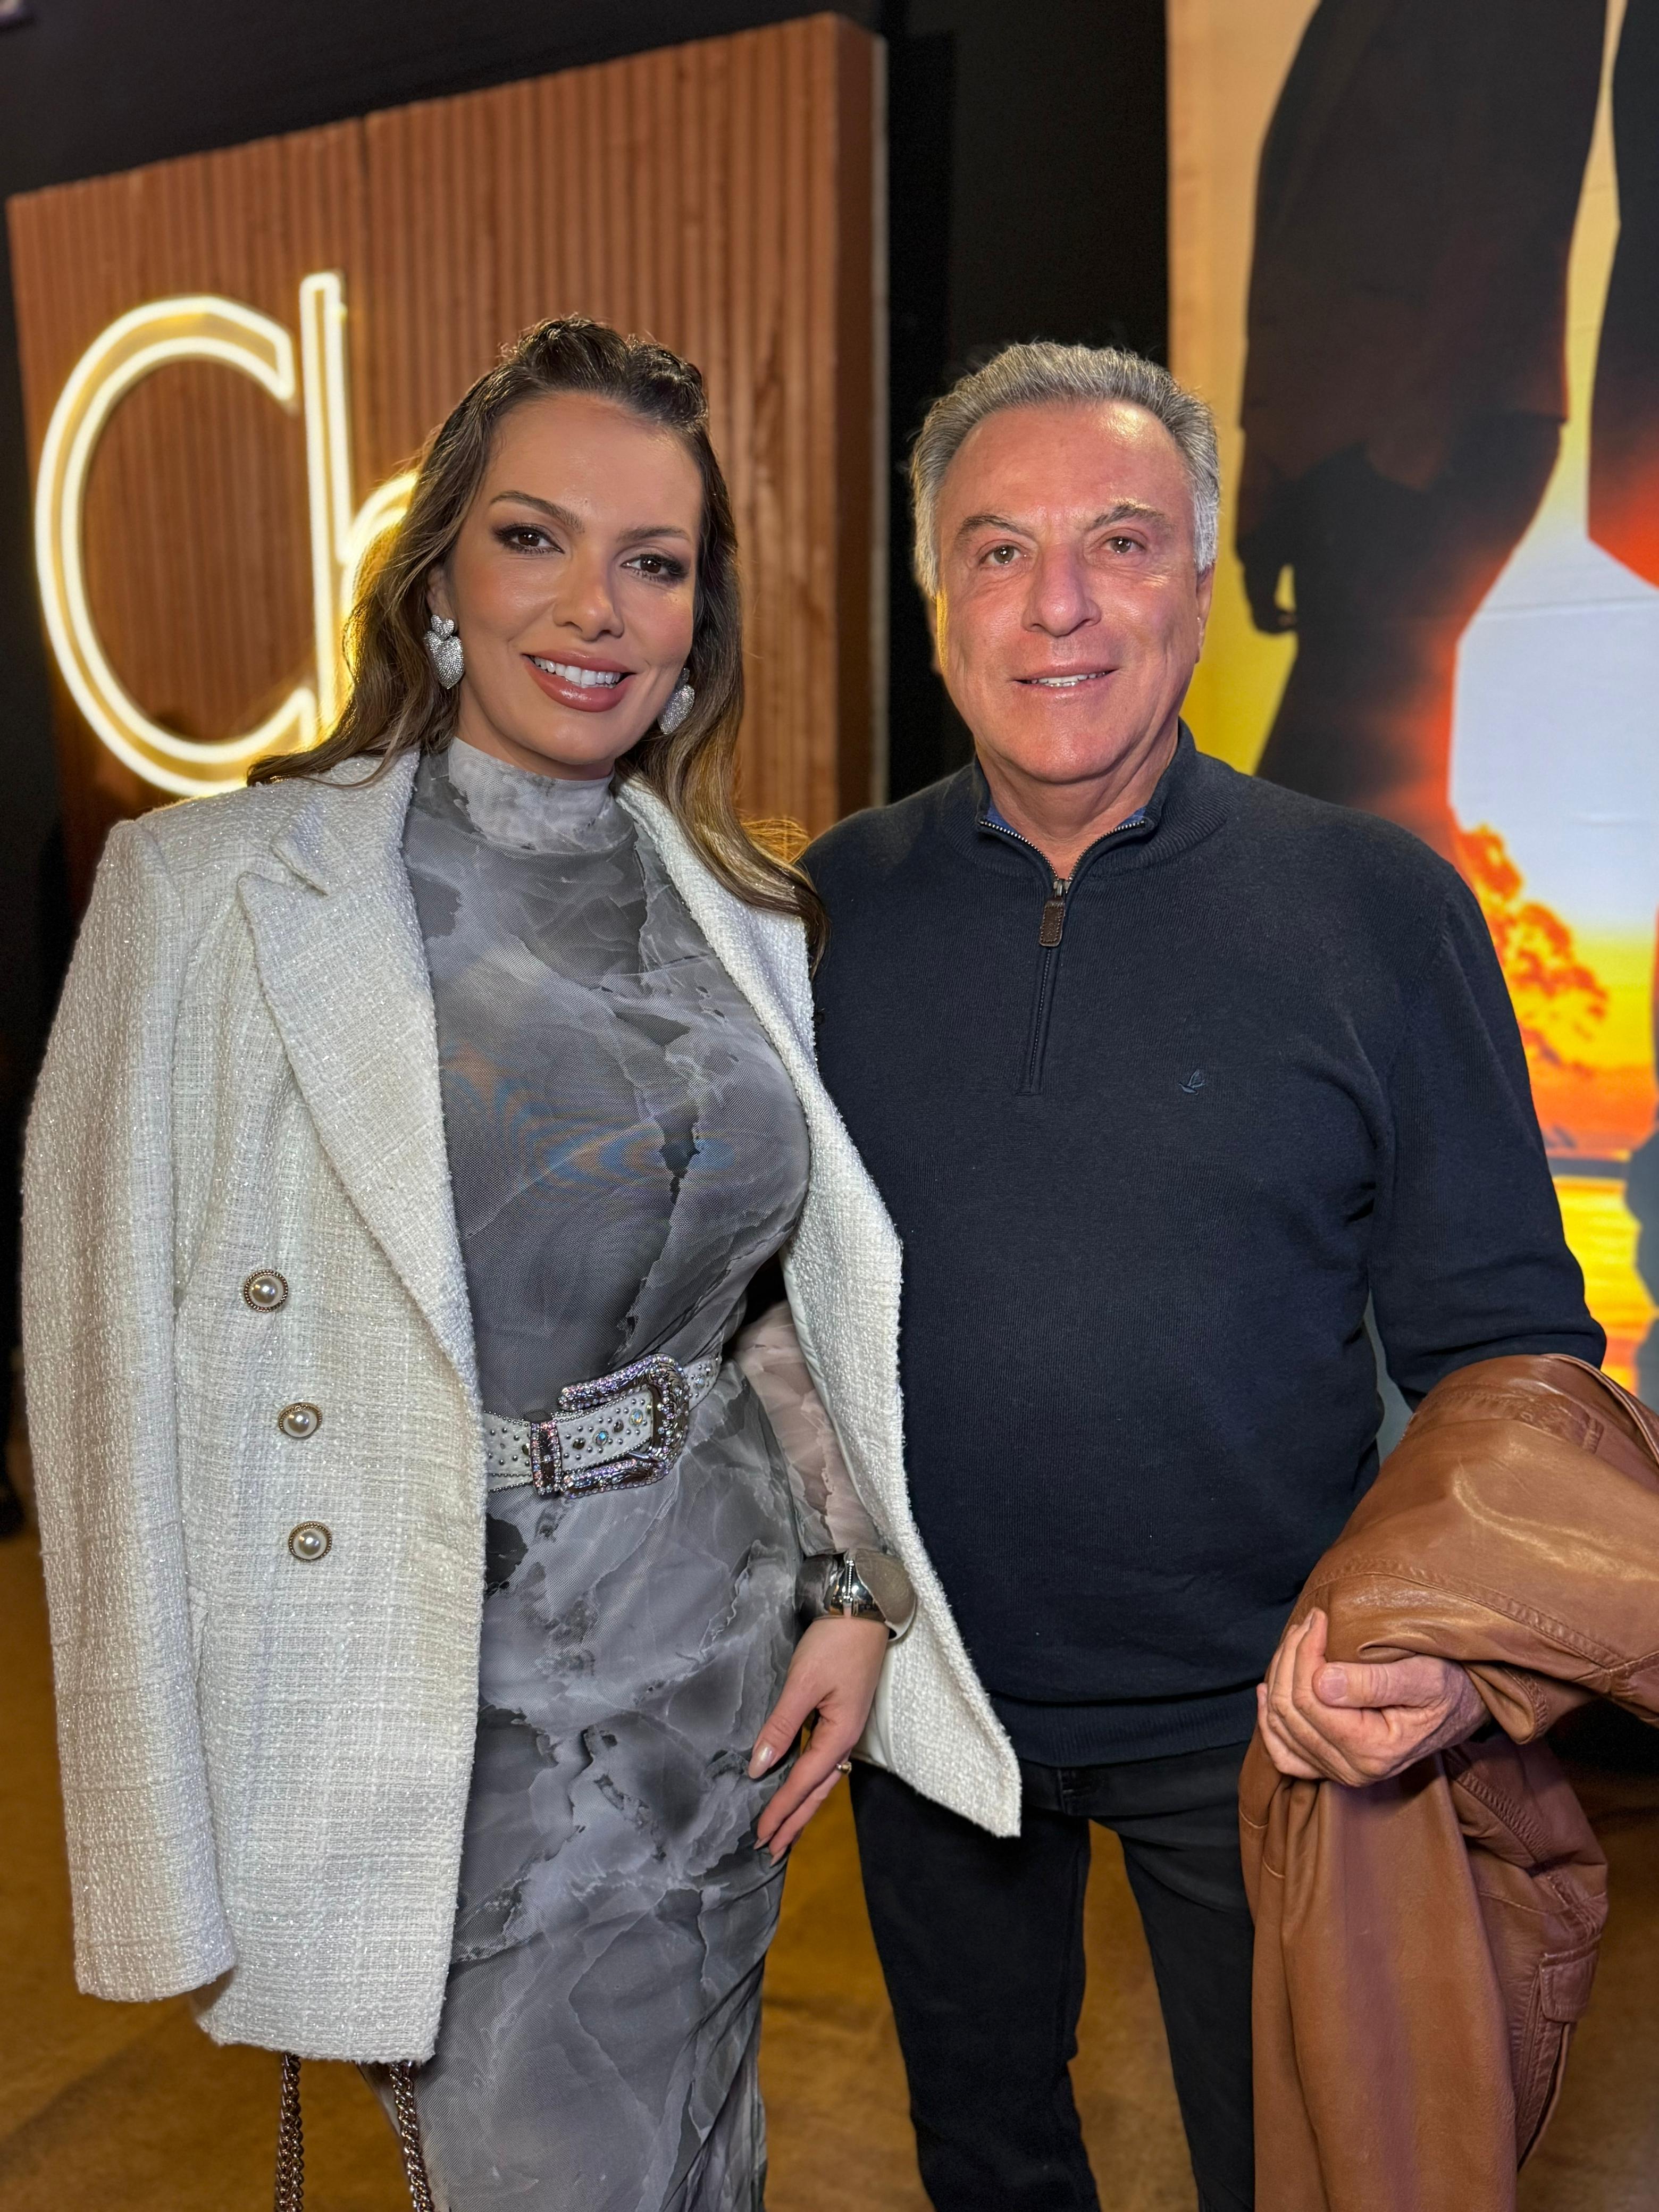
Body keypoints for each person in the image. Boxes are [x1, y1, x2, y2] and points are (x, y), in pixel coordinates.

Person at [22, 316, 917, 2212]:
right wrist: (166, 1832)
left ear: (699, 620)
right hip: (436, 1696)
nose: (595, 607)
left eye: (655, 561)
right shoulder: (213, 895)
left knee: (706, 2162)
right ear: (436, 575)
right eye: (534, 538)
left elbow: (769, 1298)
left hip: (718, 1678)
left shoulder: (739, 899)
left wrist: (848, 1584)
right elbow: (101, 1387)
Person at [803, 341, 1603, 2212]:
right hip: (931, 1705)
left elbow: (1508, 1349)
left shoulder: (1376, 907)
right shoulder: (821, 914)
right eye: (999, 551)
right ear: (937, 602)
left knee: (1296, 2174)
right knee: (987, 2164)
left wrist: (1452, 1649)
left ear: (1202, 580)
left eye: (1120, 541)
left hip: (1275, 1719)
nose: (1059, 605)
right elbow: (757, 1313)